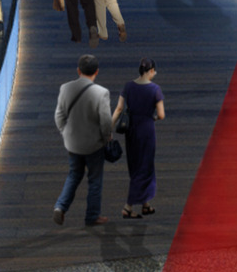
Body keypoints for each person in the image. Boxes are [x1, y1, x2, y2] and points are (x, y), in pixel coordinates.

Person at [53, 54, 118, 228]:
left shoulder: (65, 88)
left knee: (74, 174)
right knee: (95, 180)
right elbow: (105, 121)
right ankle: (92, 216)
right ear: (96, 72)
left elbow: (59, 117)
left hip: (72, 144)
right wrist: (106, 139)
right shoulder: (101, 93)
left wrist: (65, 133)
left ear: (78, 70)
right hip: (94, 145)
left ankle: (61, 206)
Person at [118, 61, 165, 219]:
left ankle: (145, 204)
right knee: (145, 166)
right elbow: (161, 114)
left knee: (135, 164)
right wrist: (153, 118)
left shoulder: (128, 86)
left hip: (131, 131)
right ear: (151, 71)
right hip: (146, 131)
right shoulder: (155, 89)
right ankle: (128, 206)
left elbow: (119, 108)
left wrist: (109, 127)